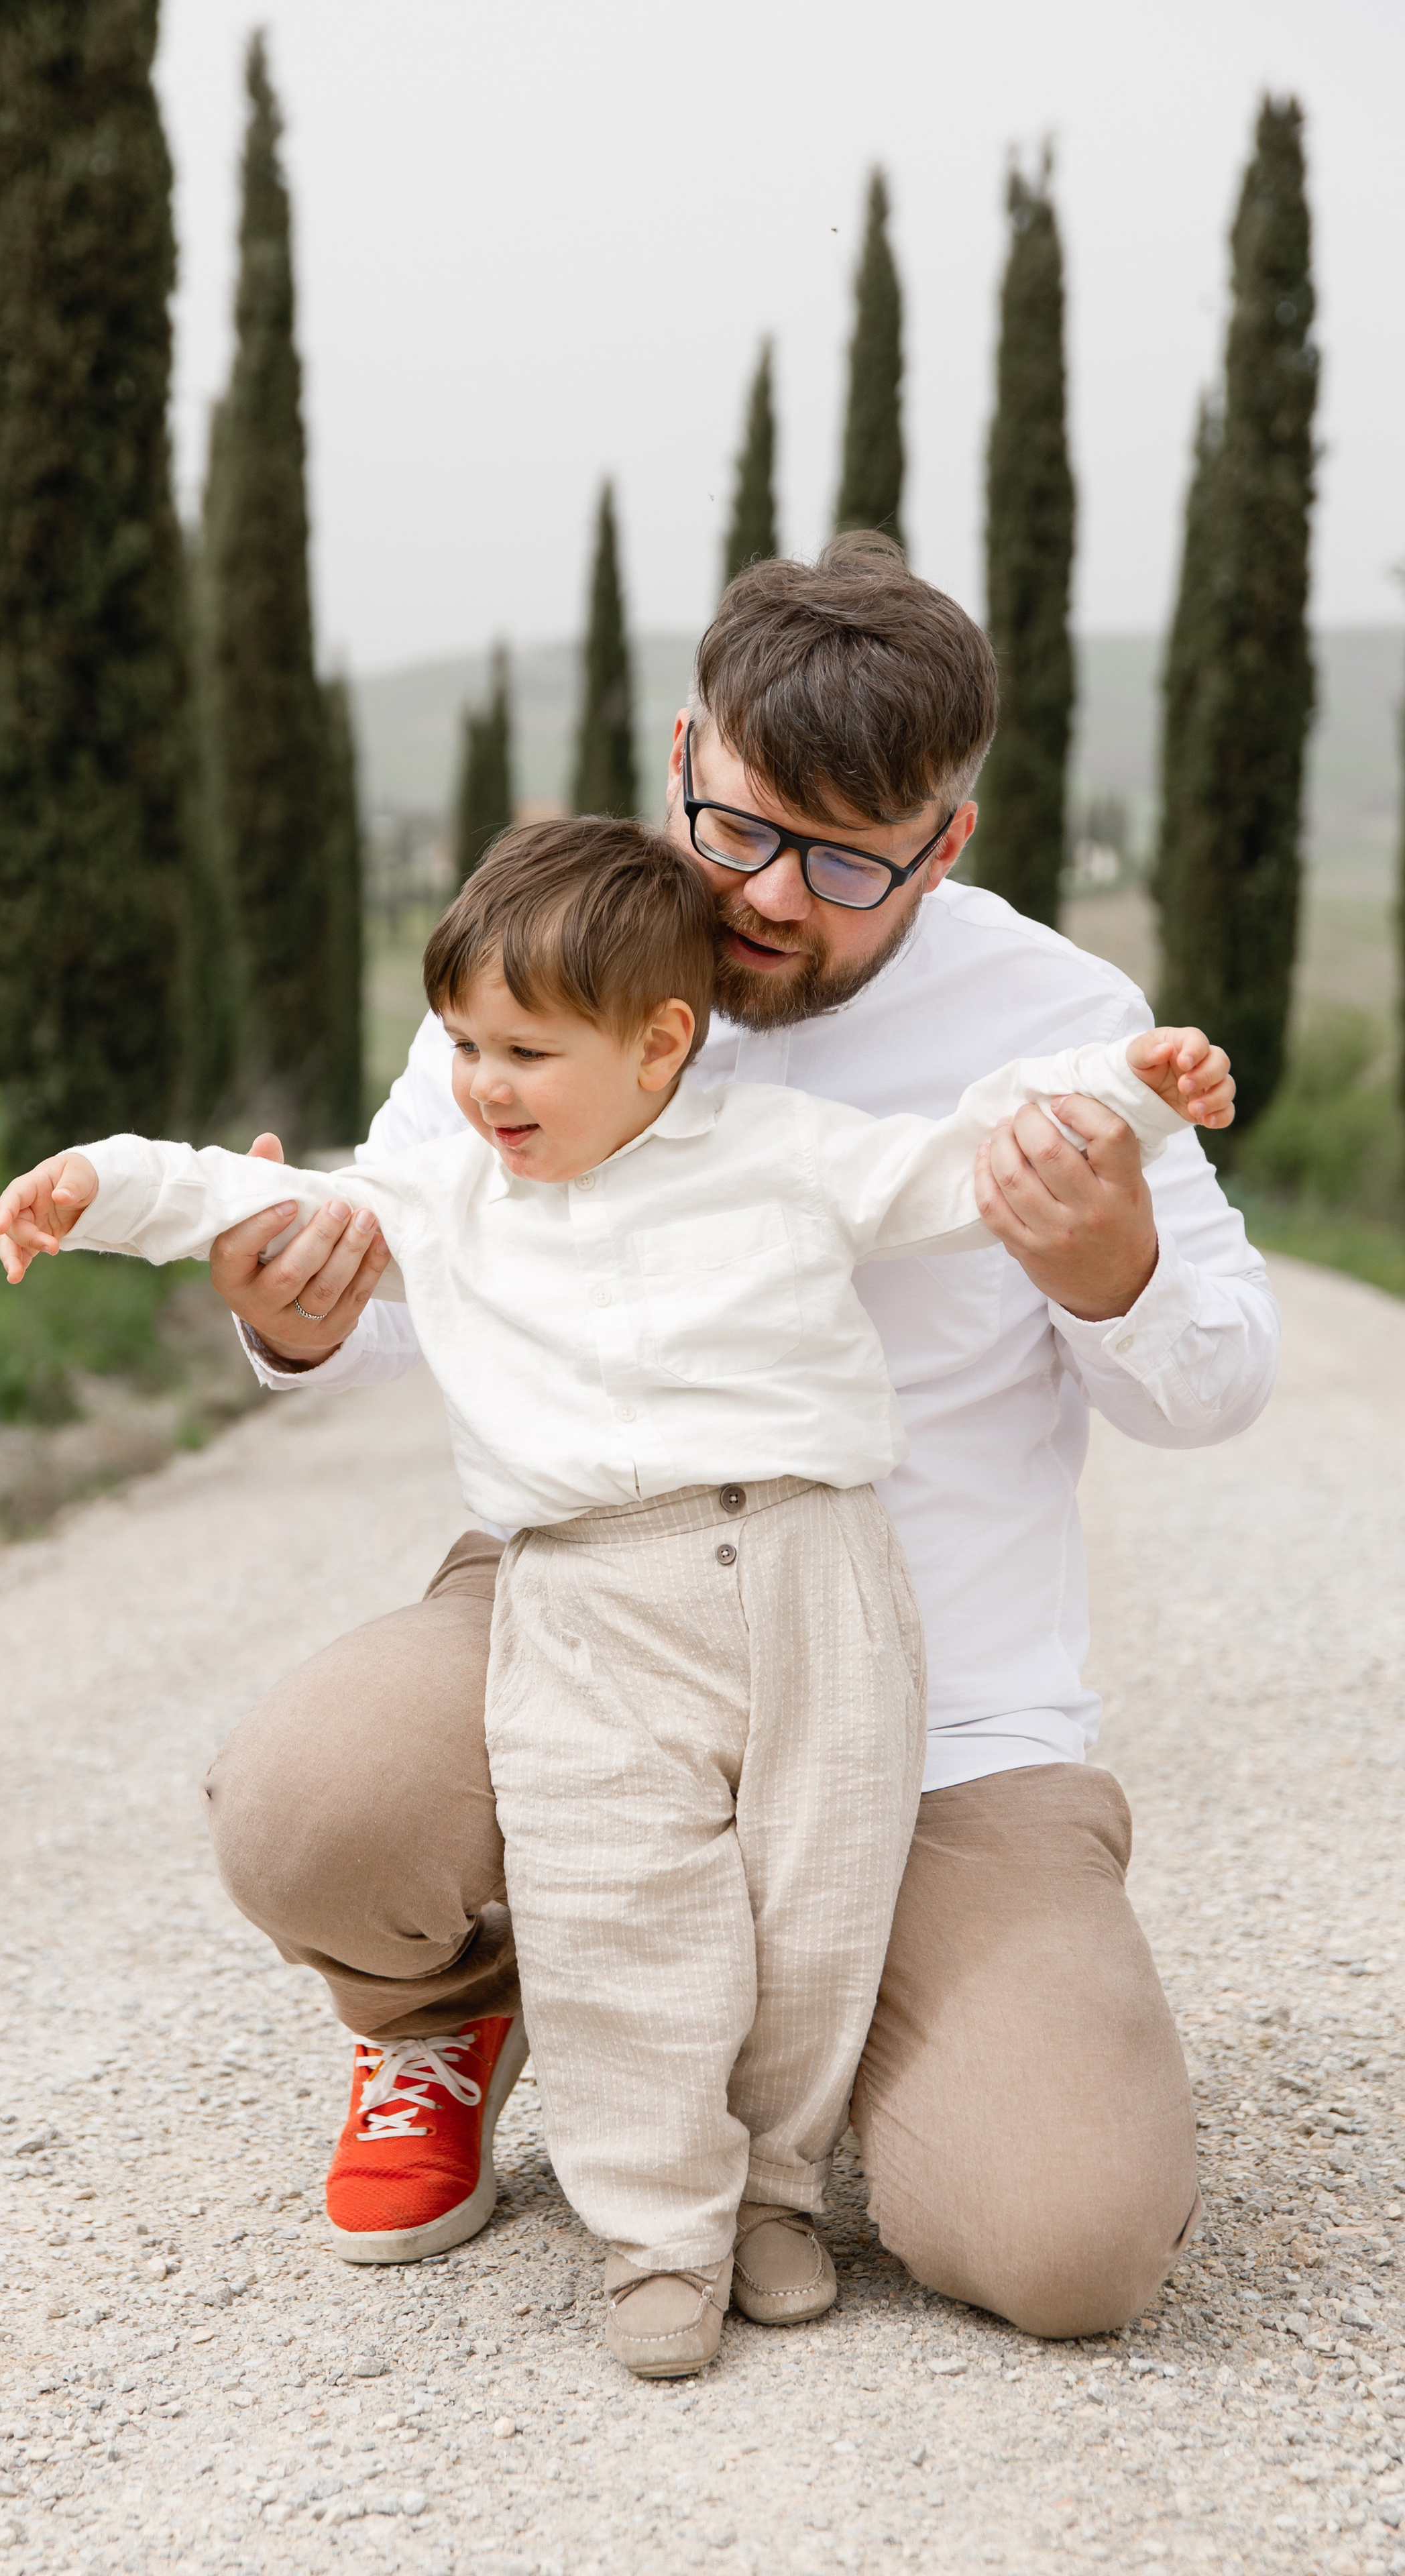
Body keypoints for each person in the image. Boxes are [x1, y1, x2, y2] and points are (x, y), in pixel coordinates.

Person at [195, 535, 1279, 2346]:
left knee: (1074, 2238)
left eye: (852, 860)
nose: (778, 897)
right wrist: (295, 1305)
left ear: (953, 837)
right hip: (590, 1609)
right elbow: (394, 1266)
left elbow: (1219, 1381)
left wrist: (1117, 1266)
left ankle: (819, 2030)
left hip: (934, 1714)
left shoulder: (1063, 1028)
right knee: (316, 1813)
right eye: (746, 827)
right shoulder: (556, 958)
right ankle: (456, 2007)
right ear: (686, 749)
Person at [0, 820, 1235, 2375]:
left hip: (813, 1588)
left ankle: (773, 2194)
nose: (482, 1083)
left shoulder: (798, 1151)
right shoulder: (452, 1184)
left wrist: (1125, 1095)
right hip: (587, 1603)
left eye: (521, 1052)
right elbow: (255, 1203)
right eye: (462, 1043)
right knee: (614, 1908)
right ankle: (649, 2226)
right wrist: (97, 1186)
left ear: (660, 1048)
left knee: (811, 1906)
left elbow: (960, 1155)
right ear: (681, 760)